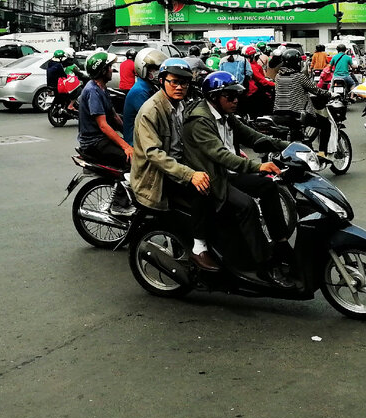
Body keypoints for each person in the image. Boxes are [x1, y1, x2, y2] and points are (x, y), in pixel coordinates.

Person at [182, 71, 286, 270]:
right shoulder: (200, 121)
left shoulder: (227, 116)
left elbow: (253, 136)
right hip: (212, 178)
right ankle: (261, 263)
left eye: (237, 95)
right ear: (214, 97)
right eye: (230, 96)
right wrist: (258, 166)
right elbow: (221, 155)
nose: (235, 100)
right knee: (247, 205)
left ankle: (280, 243)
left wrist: (288, 146)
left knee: (268, 185)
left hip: (226, 174)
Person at [128, 59, 217, 270]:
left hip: (176, 166)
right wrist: (189, 174)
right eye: (174, 82)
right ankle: (198, 247)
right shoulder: (151, 110)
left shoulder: (179, 105)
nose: (179, 87)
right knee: (203, 190)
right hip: (157, 176)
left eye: (184, 83)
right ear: (162, 81)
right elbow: (154, 154)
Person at [76, 52, 133, 169]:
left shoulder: (102, 88)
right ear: (102, 71)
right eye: (110, 68)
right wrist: (126, 147)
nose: (112, 70)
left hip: (102, 139)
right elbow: (103, 125)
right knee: (133, 159)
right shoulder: (93, 91)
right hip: (94, 143)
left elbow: (114, 116)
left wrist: (131, 136)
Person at [272, 50, 331, 156]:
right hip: (296, 115)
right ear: (297, 63)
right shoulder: (300, 77)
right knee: (325, 124)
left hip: (278, 115)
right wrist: (328, 94)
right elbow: (316, 90)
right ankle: (322, 153)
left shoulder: (278, 76)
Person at [122, 48, 165, 146]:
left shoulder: (150, 86)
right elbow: (154, 117)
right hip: (136, 142)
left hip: (145, 136)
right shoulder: (140, 91)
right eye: (154, 69)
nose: (157, 72)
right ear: (143, 69)